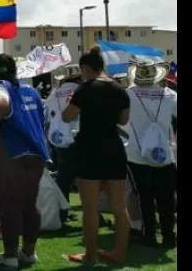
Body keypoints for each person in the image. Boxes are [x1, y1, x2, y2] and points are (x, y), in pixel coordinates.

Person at [61, 46, 131, 265]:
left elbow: (66, 117)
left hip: (90, 151)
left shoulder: (85, 89)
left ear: (85, 68)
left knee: (90, 208)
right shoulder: (120, 90)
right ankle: (119, 253)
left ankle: (90, 256)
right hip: (114, 151)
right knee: (120, 208)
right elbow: (123, 121)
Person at [0, 54, 49, 269]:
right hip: (37, 151)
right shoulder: (31, 91)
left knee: (9, 204)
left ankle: (10, 256)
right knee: (30, 203)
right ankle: (29, 253)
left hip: (10, 151)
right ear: (15, 69)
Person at [124, 59, 178, 248]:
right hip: (165, 152)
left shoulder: (129, 94)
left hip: (136, 153)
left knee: (144, 197)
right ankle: (169, 234)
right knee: (166, 197)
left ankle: (149, 235)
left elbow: (121, 120)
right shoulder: (170, 95)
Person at [45, 66, 82, 224]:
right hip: (79, 136)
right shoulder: (81, 90)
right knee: (86, 178)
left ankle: (62, 212)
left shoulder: (54, 93)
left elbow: (49, 111)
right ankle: (92, 213)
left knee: (63, 178)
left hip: (59, 139)